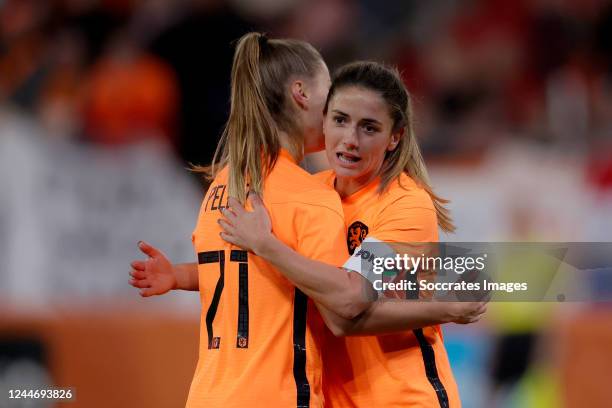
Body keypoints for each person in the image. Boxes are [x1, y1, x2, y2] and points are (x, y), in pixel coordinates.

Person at [218, 61, 483, 407]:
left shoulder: (405, 205)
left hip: (403, 400)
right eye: (341, 120)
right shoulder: (307, 193)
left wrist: (266, 245)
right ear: (323, 120)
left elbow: (346, 310)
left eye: (369, 128)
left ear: (395, 137)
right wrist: (182, 276)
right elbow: (261, 276)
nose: (351, 140)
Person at [130, 32, 372, 407]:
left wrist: (181, 275)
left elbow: (240, 272)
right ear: (301, 93)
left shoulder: (221, 187)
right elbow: (344, 306)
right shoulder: (310, 195)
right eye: (329, 87)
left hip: (208, 395)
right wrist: (460, 288)